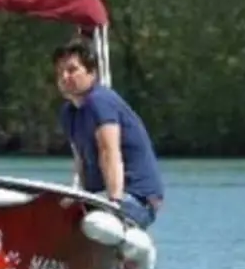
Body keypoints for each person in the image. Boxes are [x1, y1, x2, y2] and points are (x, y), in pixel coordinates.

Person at [52, 37, 164, 228]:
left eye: (72, 70)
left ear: (92, 72)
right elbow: (80, 160)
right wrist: (75, 193)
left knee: (94, 221)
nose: (64, 77)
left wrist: (114, 203)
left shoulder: (100, 101)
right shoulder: (69, 112)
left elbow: (109, 152)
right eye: (60, 72)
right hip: (98, 196)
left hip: (136, 199)